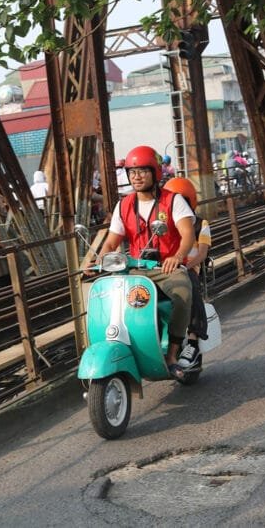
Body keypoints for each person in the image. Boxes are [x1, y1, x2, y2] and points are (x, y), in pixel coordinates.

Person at [94, 145, 196, 378]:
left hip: (165, 267)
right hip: (135, 269)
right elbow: (111, 243)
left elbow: (188, 234)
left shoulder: (173, 200)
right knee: (108, 298)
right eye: (132, 172)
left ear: (155, 173)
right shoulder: (125, 205)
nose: (136, 176)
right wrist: (101, 259)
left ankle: (171, 355)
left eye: (142, 171)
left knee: (182, 293)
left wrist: (177, 256)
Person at [163, 177, 210, 370]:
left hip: (188, 269)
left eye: (181, 200)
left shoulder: (201, 224)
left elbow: (202, 253)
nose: (177, 204)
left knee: (190, 287)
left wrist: (184, 265)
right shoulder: (164, 224)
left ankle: (193, 341)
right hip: (163, 270)